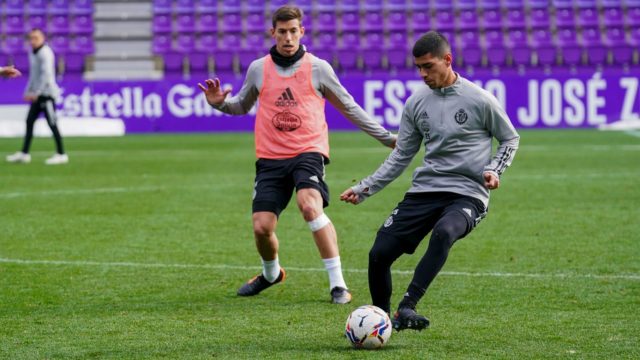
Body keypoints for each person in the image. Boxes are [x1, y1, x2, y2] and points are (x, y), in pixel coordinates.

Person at [198, 6, 396, 304]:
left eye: (293, 31)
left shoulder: (318, 68)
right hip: (270, 157)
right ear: (273, 33)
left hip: (308, 151)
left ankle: (338, 284)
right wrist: (219, 104)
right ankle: (271, 273)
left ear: (302, 32)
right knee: (262, 227)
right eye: (282, 32)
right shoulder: (258, 69)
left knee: (309, 206)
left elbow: (349, 107)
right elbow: (240, 105)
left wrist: (386, 138)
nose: (288, 37)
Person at [340, 31, 520, 330]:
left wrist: (493, 170)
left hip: (467, 193)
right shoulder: (416, 103)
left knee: (444, 232)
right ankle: (382, 321)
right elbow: (401, 155)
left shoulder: (479, 99)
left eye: (428, 66)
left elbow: (510, 138)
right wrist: (365, 188)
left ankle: (407, 306)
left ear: (448, 60)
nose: (423, 74)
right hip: (425, 191)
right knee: (379, 254)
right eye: (419, 68)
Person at [6, 29, 68, 165]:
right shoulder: (32, 52)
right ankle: (24, 153)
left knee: (52, 123)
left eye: (36, 38)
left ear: (43, 38)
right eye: (31, 38)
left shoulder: (46, 53)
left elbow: (46, 75)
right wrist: (28, 91)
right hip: (37, 95)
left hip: (47, 95)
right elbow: (34, 75)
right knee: (29, 122)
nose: (33, 41)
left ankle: (61, 154)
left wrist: (37, 93)